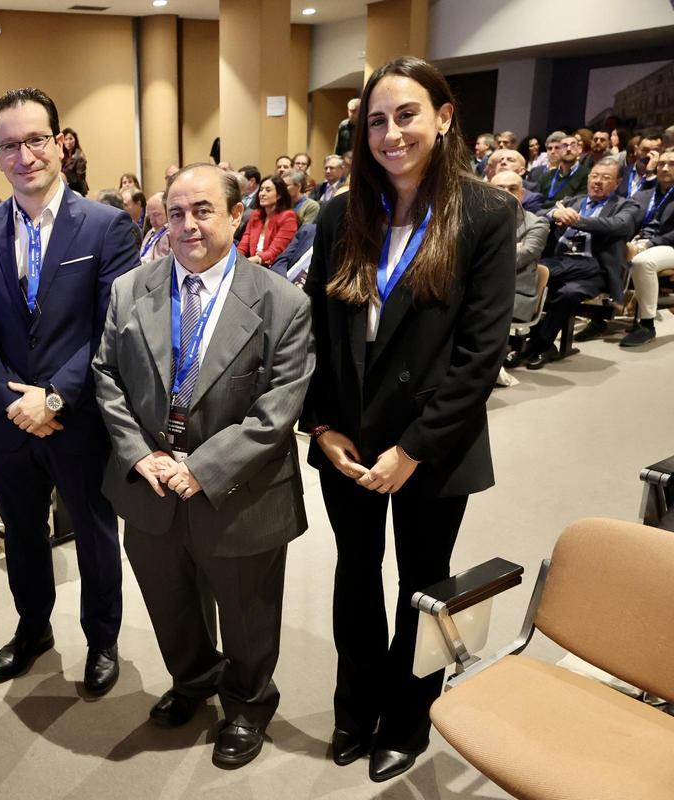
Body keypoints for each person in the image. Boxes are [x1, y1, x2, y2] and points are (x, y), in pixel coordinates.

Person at [300, 57, 515, 783]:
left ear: (445, 117)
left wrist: (413, 450)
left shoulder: (485, 212)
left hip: (433, 444)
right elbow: (319, 335)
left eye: (407, 115)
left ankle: (408, 715)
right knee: (355, 575)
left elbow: (480, 357)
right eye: (375, 122)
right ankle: (354, 706)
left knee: (422, 582)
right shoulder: (339, 211)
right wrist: (321, 426)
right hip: (349, 443)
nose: (390, 134)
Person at [93, 163, 313, 769]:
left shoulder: (282, 302)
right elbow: (106, 377)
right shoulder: (130, 290)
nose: (187, 225)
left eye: (204, 211)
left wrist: (205, 467)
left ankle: (247, 702)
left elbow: (277, 409)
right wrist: (141, 457)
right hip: (150, 487)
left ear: (237, 216)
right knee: (170, 601)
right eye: (176, 212)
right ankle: (192, 680)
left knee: (246, 610)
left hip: (239, 491)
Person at [0, 87, 138, 694]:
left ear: (61, 142)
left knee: (92, 529)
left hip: (79, 416)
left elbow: (111, 325)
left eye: (36, 139)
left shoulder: (107, 225)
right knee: (21, 531)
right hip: (8, 420)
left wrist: (54, 396)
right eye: (10, 144)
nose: (25, 154)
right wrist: (15, 400)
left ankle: (102, 639)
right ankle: (33, 628)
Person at [507, 158, 639, 367]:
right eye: (594, 176)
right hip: (562, 261)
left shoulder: (626, 205)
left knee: (561, 289)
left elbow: (619, 226)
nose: (598, 182)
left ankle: (536, 345)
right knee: (531, 278)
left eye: (606, 178)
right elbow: (538, 215)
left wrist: (577, 220)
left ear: (618, 182)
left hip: (595, 268)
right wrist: (554, 213)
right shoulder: (572, 200)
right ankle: (527, 343)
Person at [619, 148, 674, 347]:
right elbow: (626, 221)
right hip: (639, 241)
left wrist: (648, 244)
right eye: (661, 164)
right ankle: (599, 317)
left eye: (672, 164)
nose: (665, 168)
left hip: (668, 245)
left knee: (643, 261)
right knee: (606, 247)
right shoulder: (644, 195)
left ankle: (647, 324)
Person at [490, 170, 551, 321]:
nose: (506, 193)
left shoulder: (537, 223)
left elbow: (517, 259)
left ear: (522, 194)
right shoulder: (476, 219)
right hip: (480, 292)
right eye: (499, 188)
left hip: (514, 297)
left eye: (512, 189)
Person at [238, 175, 298, 267]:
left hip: (270, 267)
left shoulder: (288, 217)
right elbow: (244, 243)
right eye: (261, 189)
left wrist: (245, 262)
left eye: (268, 190)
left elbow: (274, 252)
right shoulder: (256, 214)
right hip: (251, 263)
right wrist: (236, 259)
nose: (262, 193)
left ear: (279, 195)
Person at [140, 191, 172, 263]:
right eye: (149, 216)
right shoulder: (150, 232)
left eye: (156, 215)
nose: (152, 221)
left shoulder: (172, 234)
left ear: (168, 211)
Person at [60, 127, 88, 195]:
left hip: (77, 191)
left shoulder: (79, 156)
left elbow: (79, 178)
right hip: (67, 189)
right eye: (66, 139)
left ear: (75, 140)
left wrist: (64, 177)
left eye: (71, 139)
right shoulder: (64, 156)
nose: (68, 142)